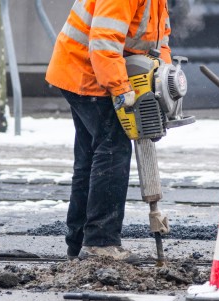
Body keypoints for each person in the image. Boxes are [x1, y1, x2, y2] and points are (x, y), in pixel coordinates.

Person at [46, 0, 172, 262]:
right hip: (89, 73)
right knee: (113, 149)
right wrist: (121, 89)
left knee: (91, 157)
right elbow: (103, 43)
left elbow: (159, 44)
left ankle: (79, 242)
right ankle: (100, 244)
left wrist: (161, 87)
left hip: (84, 69)